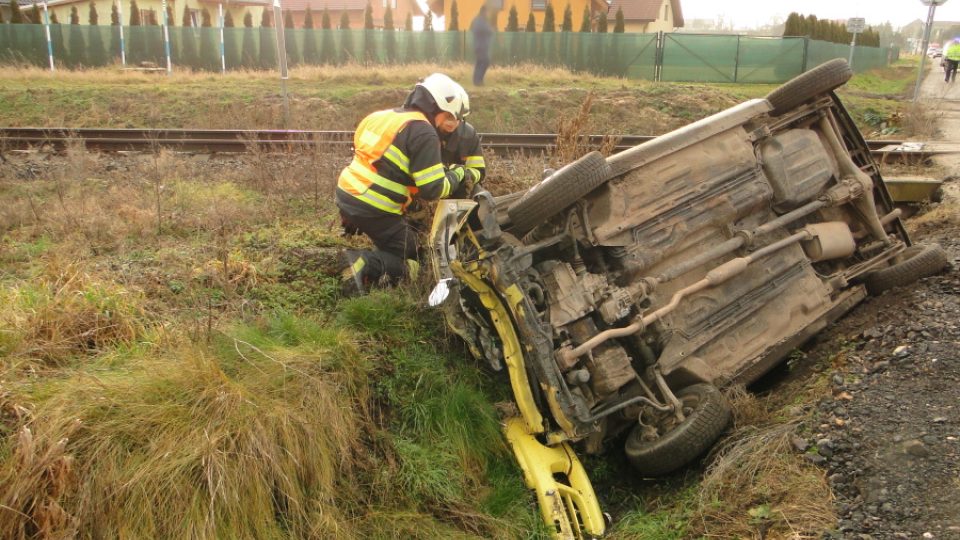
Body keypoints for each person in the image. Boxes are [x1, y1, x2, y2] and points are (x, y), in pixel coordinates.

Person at [337, 73, 479, 295]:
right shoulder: (424, 133)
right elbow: (433, 189)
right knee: (414, 257)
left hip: (347, 193)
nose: (454, 124)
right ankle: (363, 263)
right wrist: (457, 174)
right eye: (450, 117)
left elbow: (382, 161)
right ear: (435, 107)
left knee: (397, 238)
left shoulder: (384, 116)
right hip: (373, 207)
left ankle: (375, 251)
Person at [441, 120, 485, 197]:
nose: (452, 119)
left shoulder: (469, 134)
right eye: (447, 114)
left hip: (459, 189)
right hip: (426, 194)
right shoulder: (424, 132)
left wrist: (464, 173)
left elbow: (479, 171)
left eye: (457, 116)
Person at [470, 6, 494, 86]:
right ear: (483, 12)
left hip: (480, 46)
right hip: (480, 46)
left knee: (480, 62)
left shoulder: (480, 20)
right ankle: (478, 81)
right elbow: (488, 30)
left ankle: (477, 80)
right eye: (487, 12)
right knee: (484, 62)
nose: (488, 14)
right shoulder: (480, 21)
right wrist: (490, 29)